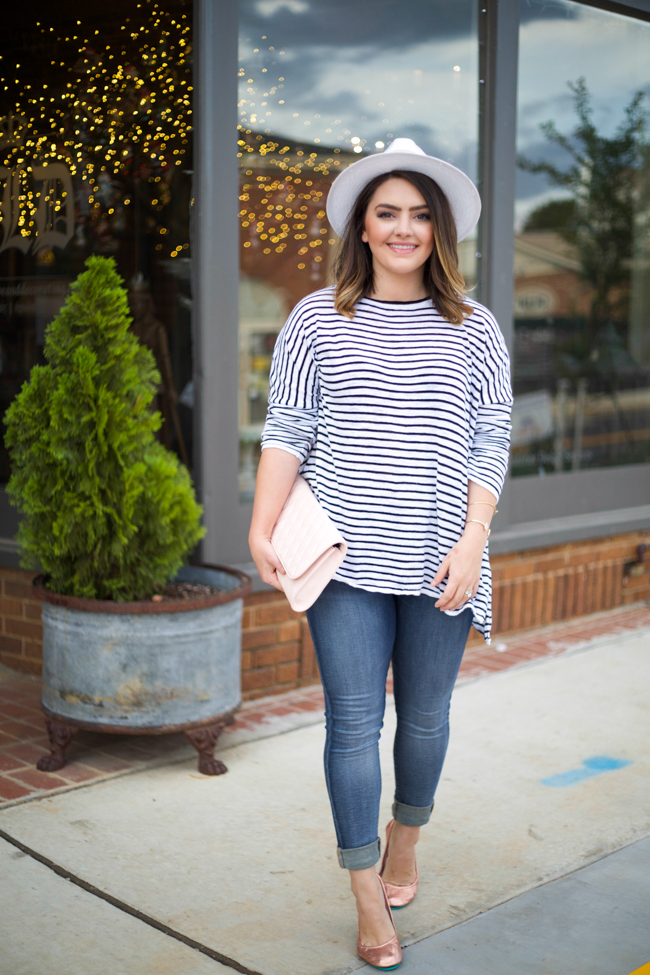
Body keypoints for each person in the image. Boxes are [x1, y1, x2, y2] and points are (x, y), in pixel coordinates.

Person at [248, 138, 512, 970]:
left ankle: (408, 834)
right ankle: (365, 887)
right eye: (388, 212)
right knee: (352, 725)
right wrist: (260, 525)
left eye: (421, 215)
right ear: (362, 227)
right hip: (342, 560)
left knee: (427, 718)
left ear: (440, 233)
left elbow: (490, 437)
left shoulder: (475, 329)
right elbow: (288, 428)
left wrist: (474, 541)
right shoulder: (314, 316)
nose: (405, 228)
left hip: (443, 554)